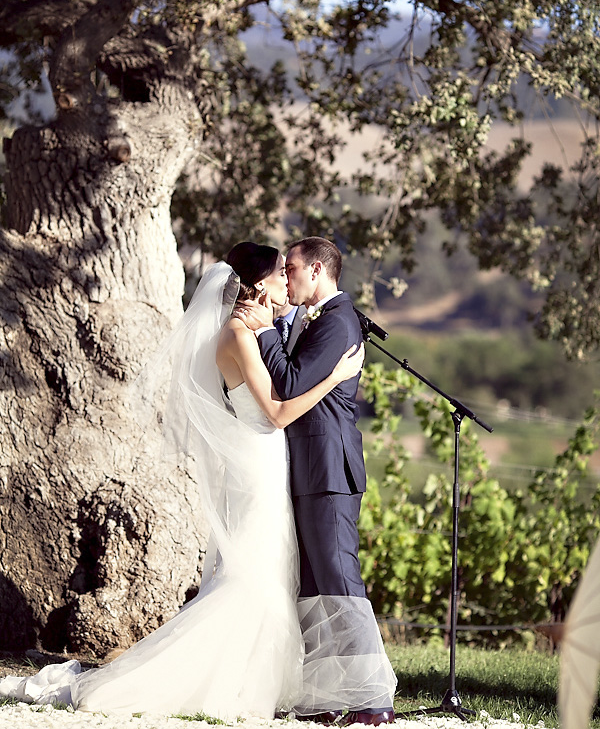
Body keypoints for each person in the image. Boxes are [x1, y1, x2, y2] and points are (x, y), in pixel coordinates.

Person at [0, 243, 364, 720]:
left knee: (269, 573)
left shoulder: (252, 330)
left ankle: (245, 678)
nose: (286, 279)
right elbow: (277, 412)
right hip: (258, 464)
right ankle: (206, 678)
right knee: (251, 578)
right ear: (258, 285)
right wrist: (335, 375)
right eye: (281, 271)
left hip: (265, 463)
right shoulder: (238, 333)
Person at [236, 237, 397, 726]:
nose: (286, 277)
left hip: (330, 467)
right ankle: (328, 697)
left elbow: (288, 385)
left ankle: (374, 700)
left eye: (293, 268)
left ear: (320, 270)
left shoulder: (339, 322)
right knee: (313, 584)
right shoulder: (313, 319)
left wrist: (264, 334)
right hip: (307, 465)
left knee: (339, 576)